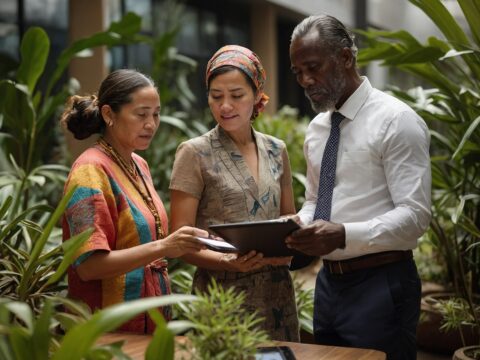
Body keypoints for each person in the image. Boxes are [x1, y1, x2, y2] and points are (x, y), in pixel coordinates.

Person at [286, 15, 431, 359]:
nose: (306, 80)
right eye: (297, 72)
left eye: (313, 67)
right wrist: (298, 225)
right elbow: (315, 201)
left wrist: (343, 234)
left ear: (346, 58)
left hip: (383, 284)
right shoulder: (318, 128)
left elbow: (415, 217)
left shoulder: (397, 120)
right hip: (328, 285)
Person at [61, 69, 208, 334]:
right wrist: (163, 246)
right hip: (105, 330)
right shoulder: (89, 171)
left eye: (156, 114)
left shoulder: (138, 164)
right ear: (108, 114)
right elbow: (90, 267)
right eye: (141, 114)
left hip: (148, 323)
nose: (151, 124)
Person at [169, 45, 300, 341]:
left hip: (276, 293)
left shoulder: (275, 149)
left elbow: (287, 218)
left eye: (237, 96)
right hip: (221, 298)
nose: (225, 106)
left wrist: (291, 246)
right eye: (216, 97)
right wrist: (228, 262)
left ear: (256, 96)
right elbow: (179, 239)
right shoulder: (194, 153)